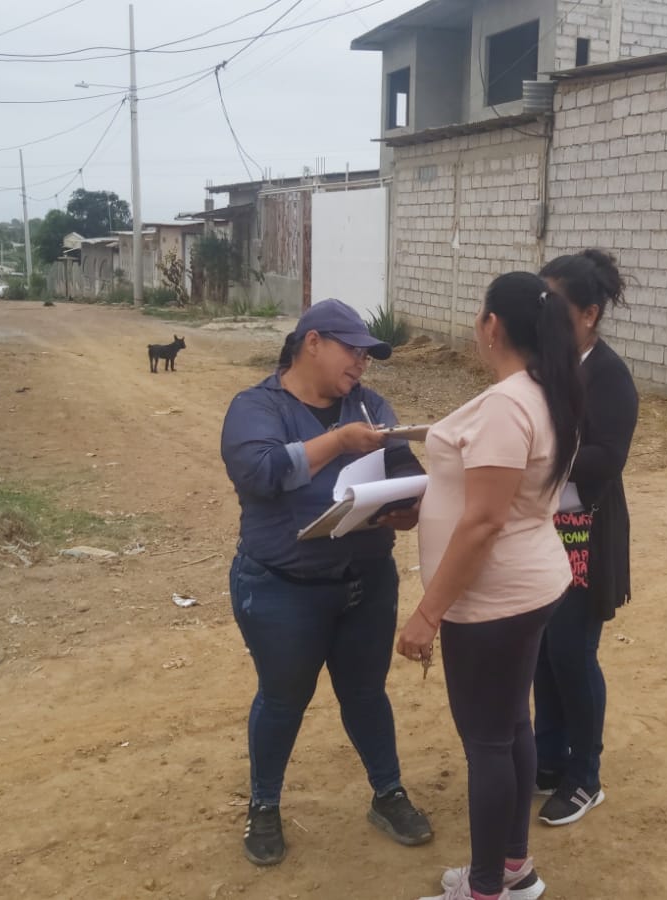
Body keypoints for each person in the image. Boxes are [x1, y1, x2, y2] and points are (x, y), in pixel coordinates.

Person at [219, 299, 433, 867]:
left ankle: (388, 793)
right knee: (283, 697)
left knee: (366, 693)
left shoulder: (368, 404)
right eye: (352, 351)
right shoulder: (256, 407)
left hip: (366, 583)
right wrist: (338, 443)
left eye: (367, 355)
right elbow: (261, 473)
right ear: (311, 343)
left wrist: (408, 508)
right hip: (283, 588)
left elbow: (404, 468)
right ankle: (264, 805)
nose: (361, 363)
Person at [396, 272, 584, 900]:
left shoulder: (509, 404)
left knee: (487, 743)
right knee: (510, 729)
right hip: (527, 585)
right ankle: (513, 870)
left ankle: (484, 890)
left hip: (492, 599)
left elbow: (483, 522)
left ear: (492, 326)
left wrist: (428, 613)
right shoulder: (543, 391)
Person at [532, 250, 639, 827]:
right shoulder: (552, 365)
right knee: (543, 653)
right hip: (544, 528)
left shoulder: (608, 374)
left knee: (573, 652)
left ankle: (585, 775)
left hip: (585, 532)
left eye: (555, 307)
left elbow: (607, 457)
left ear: (589, 314)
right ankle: (548, 758)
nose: (544, 317)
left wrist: (540, 456)